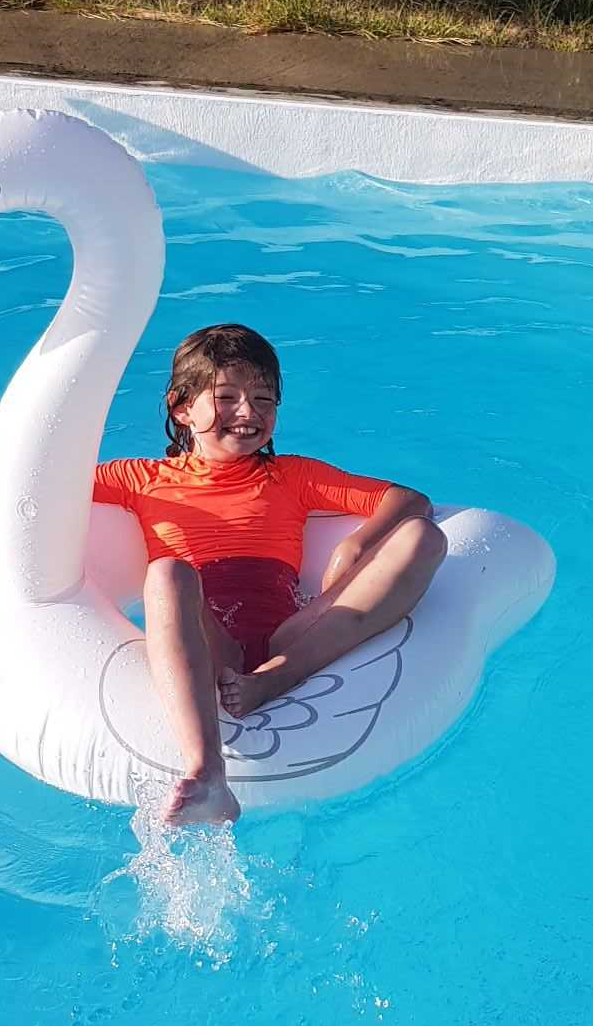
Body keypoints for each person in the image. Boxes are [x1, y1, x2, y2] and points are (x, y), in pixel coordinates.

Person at [93, 324, 447, 825]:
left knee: (423, 537)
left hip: (290, 638)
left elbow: (410, 501)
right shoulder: (139, 479)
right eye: (227, 397)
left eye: (264, 399)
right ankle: (207, 772)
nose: (248, 412)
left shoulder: (292, 476)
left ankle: (278, 677)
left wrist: (357, 544)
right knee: (168, 573)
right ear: (181, 407)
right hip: (211, 642)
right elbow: (50, 490)